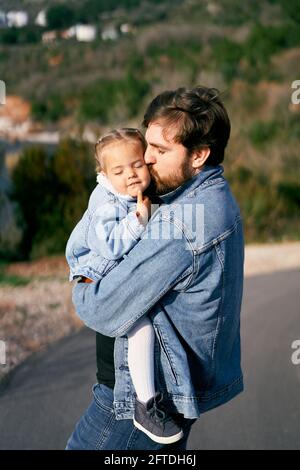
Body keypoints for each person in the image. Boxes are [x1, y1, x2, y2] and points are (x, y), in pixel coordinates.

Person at [66, 85, 244, 451]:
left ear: (199, 155)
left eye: (160, 151)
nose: (145, 159)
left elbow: (101, 307)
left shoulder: (185, 223)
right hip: (160, 395)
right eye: (147, 144)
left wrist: (83, 281)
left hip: (136, 405)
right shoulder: (209, 196)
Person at [66, 128, 184, 444]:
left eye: (136, 165)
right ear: (103, 175)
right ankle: (145, 405)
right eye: (119, 171)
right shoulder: (104, 200)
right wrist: (139, 221)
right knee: (141, 329)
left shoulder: (136, 195)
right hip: (95, 277)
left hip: (111, 276)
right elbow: (109, 247)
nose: (130, 175)